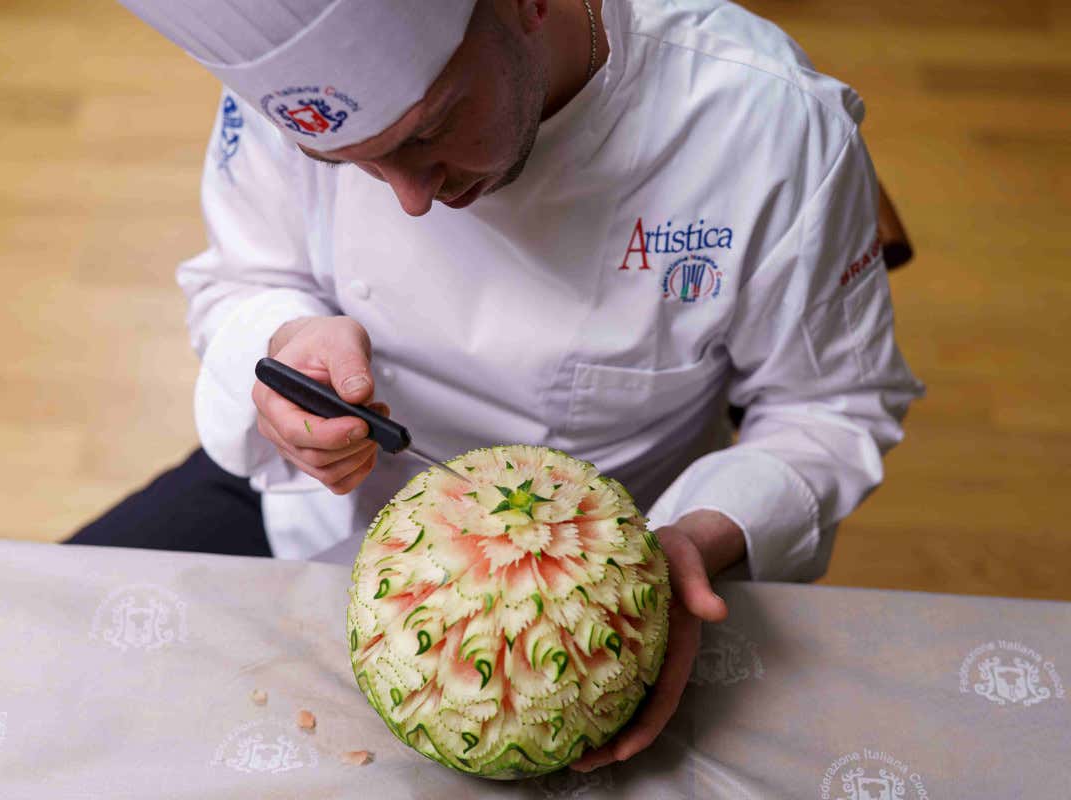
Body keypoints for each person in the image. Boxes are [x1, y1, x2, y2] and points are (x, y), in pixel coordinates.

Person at [69, 0, 923, 771]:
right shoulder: (288, 85)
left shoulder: (767, 127)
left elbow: (829, 409)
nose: (410, 199)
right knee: (57, 657)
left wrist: (702, 536)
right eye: (347, 161)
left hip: (591, 598)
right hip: (313, 502)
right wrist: (287, 339)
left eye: (430, 129)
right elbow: (240, 275)